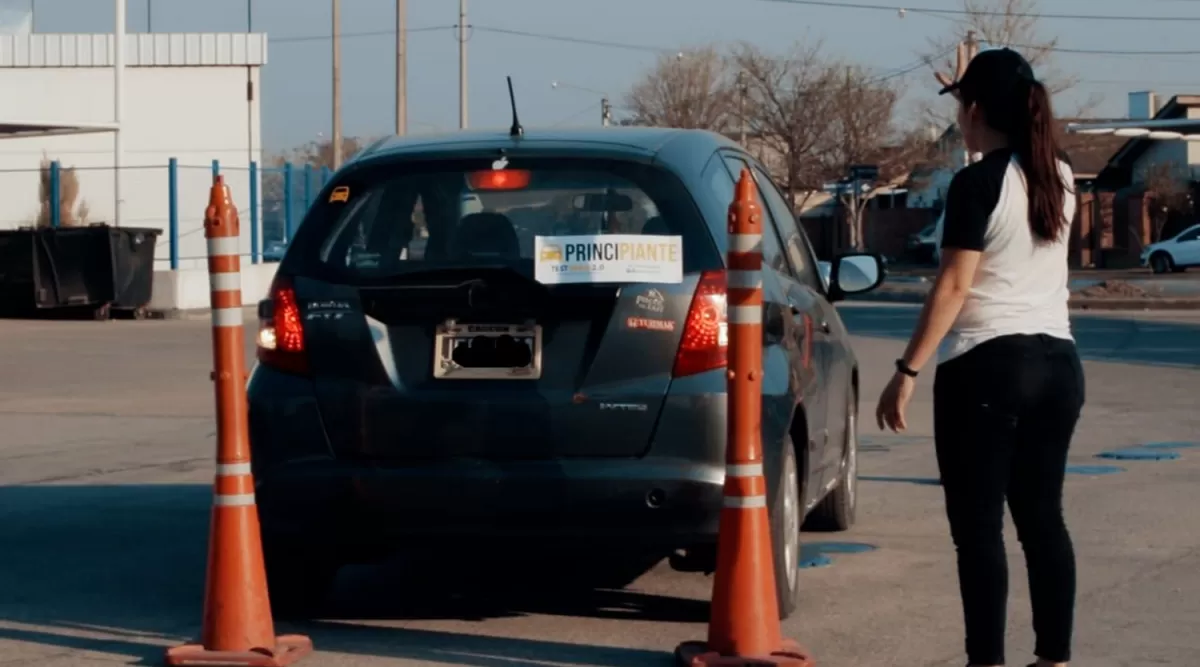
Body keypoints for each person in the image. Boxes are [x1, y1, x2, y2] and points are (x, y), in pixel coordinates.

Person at [874, 44, 1085, 667]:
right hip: (1059, 367)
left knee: (979, 532)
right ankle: (1055, 659)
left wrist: (906, 371)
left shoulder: (977, 183)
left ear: (973, 110)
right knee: (1043, 520)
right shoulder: (1062, 174)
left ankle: (985, 661)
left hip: (989, 366)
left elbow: (955, 286)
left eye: (962, 104)